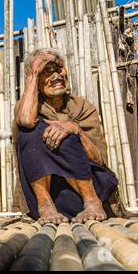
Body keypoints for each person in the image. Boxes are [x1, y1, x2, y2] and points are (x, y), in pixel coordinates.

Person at [12, 48, 118, 225]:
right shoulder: (28, 107)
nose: (56, 76)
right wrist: (33, 74)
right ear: (36, 79)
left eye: (59, 69)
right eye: (46, 71)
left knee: (67, 134)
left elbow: (99, 160)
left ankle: (92, 203)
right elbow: (25, 119)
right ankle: (46, 206)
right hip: (53, 198)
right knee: (29, 131)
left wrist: (76, 130)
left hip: (89, 190)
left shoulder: (81, 107)